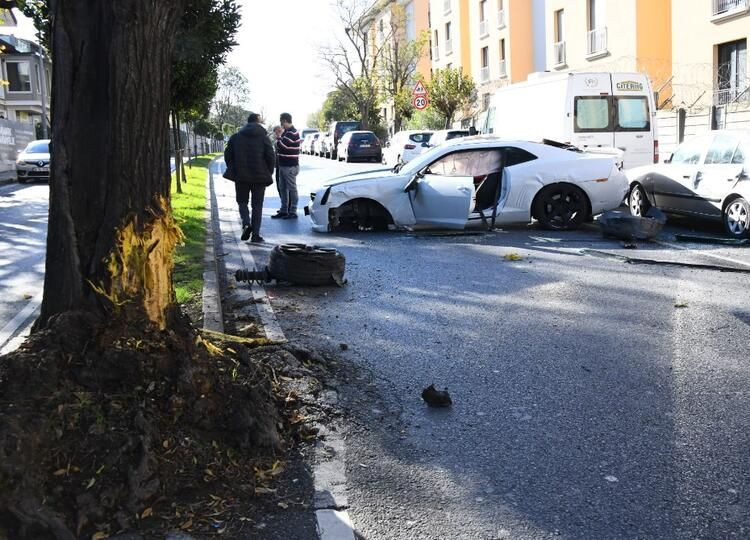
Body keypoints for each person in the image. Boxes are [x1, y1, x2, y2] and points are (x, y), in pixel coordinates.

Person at [224, 112, 275, 242]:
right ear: (257, 122)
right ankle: (256, 235)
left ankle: (246, 223)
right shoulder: (264, 138)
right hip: (260, 177)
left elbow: (228, 155)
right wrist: (268, 172)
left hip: (241, 176)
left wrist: (234, 168)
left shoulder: (236, 137)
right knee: (257, 205)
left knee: (242, 202)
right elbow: (271, 156)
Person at [272, 112, 301, 219]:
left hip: (290, 166)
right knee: (282, 188)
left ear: (284, 121)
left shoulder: (292, 133)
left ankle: (293, 211)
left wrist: (278, 138)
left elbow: (284, 147)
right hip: (283, 165)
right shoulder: (287, 132)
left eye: (281, 122)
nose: (281, 125)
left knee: (292, 189)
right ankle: (284, 210)